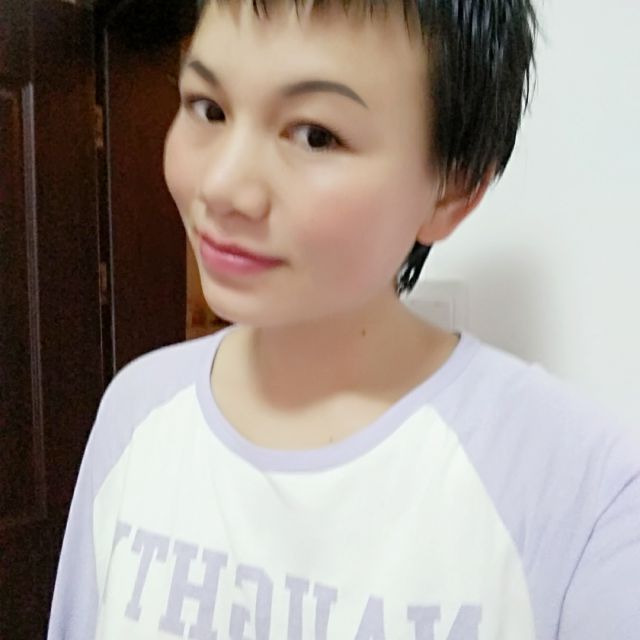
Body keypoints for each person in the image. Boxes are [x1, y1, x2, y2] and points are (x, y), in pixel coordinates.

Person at [48, 0, 640, 638]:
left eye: (315, 135)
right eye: (209, 108)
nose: (220, 188)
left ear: (453, 189)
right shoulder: (137, 411)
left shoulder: (582, 492)